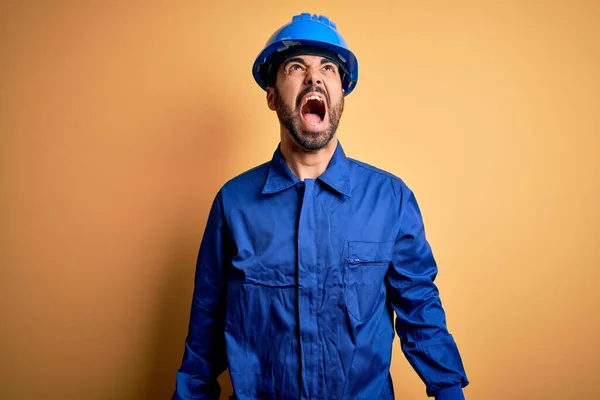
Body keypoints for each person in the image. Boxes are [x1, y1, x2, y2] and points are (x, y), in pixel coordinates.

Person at [173, 13, 469, 400]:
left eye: (328, 68)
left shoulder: (390, 200)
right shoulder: (233, 204)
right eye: (297, 67)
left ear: (341, 95)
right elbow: (204, 334)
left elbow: (421, 314)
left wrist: (449, 391)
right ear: (272, 96)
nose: (314, 78)